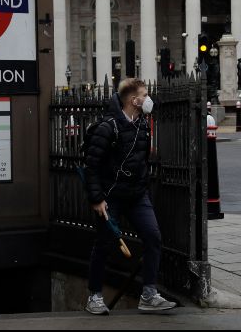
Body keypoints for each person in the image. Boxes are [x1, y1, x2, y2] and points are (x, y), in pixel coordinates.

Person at [83, 78, 176, 315]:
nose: (148, 99)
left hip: (136, 196)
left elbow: (142, 160)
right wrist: (97, 199)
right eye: (144, 95)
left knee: (153, 237)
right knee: (103, 245)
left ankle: (148, 295)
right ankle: (94, 296)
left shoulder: (143, 125)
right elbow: (91, 166)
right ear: (133, 101)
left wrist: (142, 185)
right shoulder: (108, 128)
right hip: (111, 197)